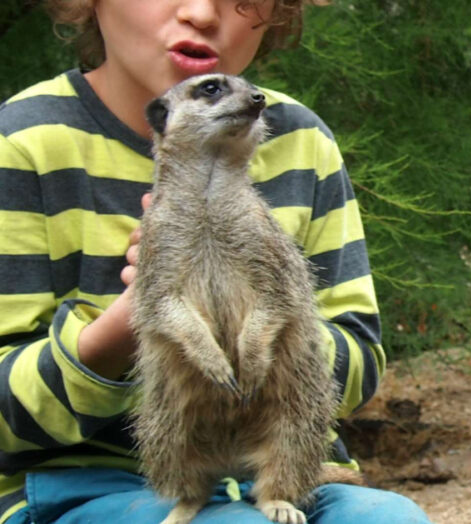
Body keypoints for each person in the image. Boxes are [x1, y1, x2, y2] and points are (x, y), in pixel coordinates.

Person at [0, 0, 430, 522]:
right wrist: (123, 329)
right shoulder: (20, 142)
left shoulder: (302, 141)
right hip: (75, 482)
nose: (203, 13)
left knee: (391, 518)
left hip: (282, 461)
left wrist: (271, 318)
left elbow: (359, 358)